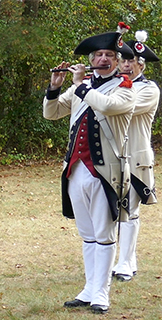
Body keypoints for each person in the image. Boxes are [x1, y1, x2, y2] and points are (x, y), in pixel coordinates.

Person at [43, 26, 136, 314]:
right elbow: (52, 113)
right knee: (87, 234)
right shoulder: (80, 87)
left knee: (105, 234)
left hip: (106, 172)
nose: (103, 59)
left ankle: (101, 293)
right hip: (76, 169)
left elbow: (106, 106)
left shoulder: (125, 88)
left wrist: (81, 84)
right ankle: (88, 288)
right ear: (92, 58)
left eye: (110, 55)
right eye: (99, 55)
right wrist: (55, 87)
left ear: (118, 60)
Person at [112, 30, 160, 282]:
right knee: (111, 212)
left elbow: (123, 106)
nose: (127, 65)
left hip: (135, 158)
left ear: (141, 65)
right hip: (113, 157)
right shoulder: (114, 85)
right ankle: (125, 260)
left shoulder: (149, 89)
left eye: (133, 62)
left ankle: (125, 264)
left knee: (129, 210)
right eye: (124, 61)